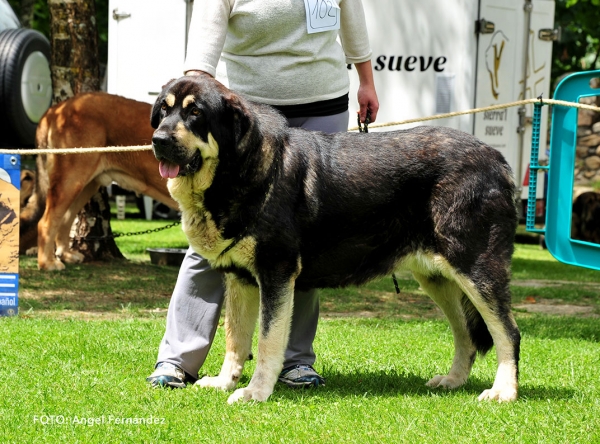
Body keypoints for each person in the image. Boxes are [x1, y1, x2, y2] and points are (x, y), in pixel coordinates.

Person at [147, 0, 379, 389]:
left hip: (323, 105)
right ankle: (179, 358)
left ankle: (295, 361)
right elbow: (203, 48)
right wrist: (201, 103)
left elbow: (351, 17)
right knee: (210, 232)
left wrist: (366, 80)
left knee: (302, 236)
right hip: (244, 114)